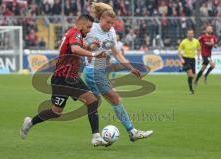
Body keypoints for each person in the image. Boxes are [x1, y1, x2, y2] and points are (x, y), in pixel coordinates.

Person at [20, 15, 108, 147]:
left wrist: (91, 47)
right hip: (63, 78)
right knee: (57, 112)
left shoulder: (74, 34)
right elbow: (75, 49)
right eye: (88, 27)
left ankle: (96, 136)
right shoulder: (75, 33)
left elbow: (80, 46)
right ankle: (31, 122)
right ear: (80, 24)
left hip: (70, 78)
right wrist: (93, 54)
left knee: (91, 101)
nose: (89, 30)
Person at [83, 2, 153, 144]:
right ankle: (132, 132)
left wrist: (130, 67)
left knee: (93, 104)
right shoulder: (91, 29)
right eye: (108, 22)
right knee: (115, 99)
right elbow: (81, 44)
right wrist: (89, 49)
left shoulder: (111, 32)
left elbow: (116, 53)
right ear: (101, 19)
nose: (110, 25)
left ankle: (96, 136)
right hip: (92, 71)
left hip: (100, 70)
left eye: (112, 23)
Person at [178, 29, 201, 94]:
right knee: (191, 74)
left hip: (193, 59)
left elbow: (199, 49)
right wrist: (181, 59)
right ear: (187, 34)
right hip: (186, 59)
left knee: (190, 76)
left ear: (193, 34)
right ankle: (183, 68)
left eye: (191, 34)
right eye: (189, 33)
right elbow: (179, 52)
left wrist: (199, 57)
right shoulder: (184, 42)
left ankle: (191, 90)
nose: (190, 35)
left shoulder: (196, 41)